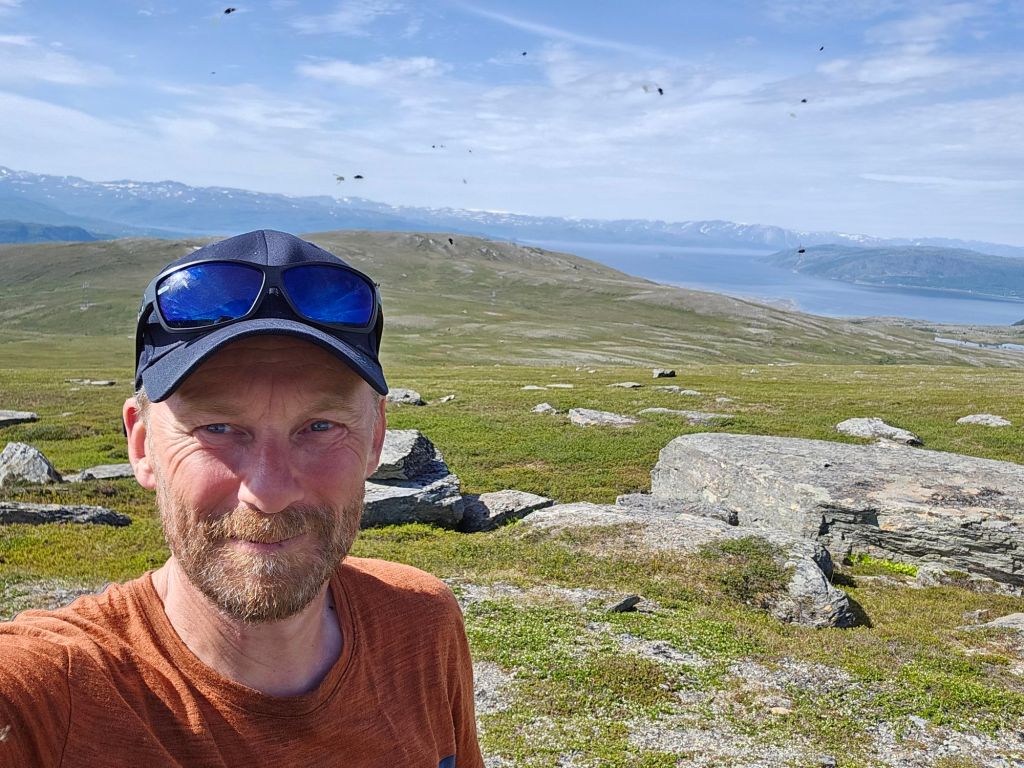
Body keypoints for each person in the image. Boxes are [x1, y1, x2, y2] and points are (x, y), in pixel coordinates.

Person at [0, 230, 484, 768]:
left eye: (320, 426)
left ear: (375, 438)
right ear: (142, 445)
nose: (269, 493)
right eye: (218, 428)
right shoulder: (48, 695)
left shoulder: (421, 621)